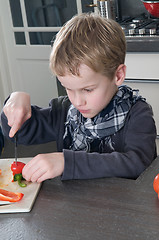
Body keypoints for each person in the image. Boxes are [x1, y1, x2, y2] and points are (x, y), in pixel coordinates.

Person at [0, 13, 157, 183]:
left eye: (88, 90)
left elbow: (138, 164)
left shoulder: (138, 113)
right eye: (68, 89)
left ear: (118, 75)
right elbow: (19, 134)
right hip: (76, 206)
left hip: (123, 207)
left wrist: (67, 162)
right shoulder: (64, 111)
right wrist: (15, 102)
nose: (77, 101)